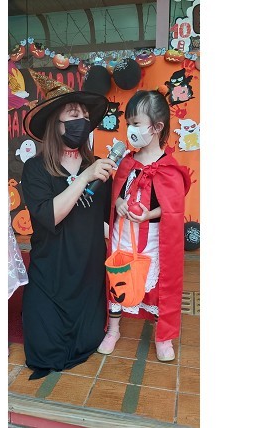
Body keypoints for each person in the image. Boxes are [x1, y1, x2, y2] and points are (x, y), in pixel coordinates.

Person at [20, 70, 117, 380]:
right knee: (43, 352)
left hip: (87, 277)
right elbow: (50, 216)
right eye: (74, 115)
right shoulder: (36, 169)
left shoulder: (97, 166)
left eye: (85, 117)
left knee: (88, 340)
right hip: (50, 276)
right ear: (56, 124)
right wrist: (84, 178)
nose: (82, 122)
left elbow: (106, 219)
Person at [97, 90, 191, 361]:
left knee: (159, 284)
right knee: (118, 279)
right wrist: (119, 204)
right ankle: (113, 329)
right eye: (129, 123)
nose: (130, 129)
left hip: (153, 239)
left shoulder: (169, 168)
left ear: (156, 127)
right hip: (123, 236)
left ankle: (163, 336)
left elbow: (173, 206)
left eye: (136, 123)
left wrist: (150, 215)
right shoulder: (127, 162)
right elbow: (116, 194)